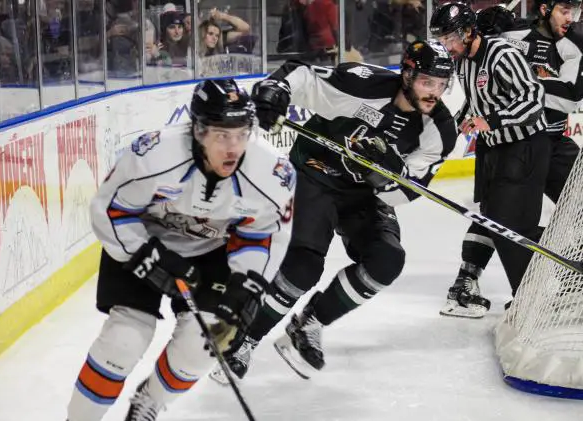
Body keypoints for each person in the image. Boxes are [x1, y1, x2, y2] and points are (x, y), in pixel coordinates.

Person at [210, 39, 458, 382]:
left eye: (442, 85)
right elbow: (302, 75)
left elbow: (407, 191)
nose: (434, 92)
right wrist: (275, 89)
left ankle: (309, 322)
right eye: (427, 81)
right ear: (407, 74)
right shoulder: (364, 83)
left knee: (387, 259)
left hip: (366, 195)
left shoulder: (441, 130)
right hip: (314, 174)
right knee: (304, 266)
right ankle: (244, 338)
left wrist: (388, 173)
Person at [65, 78, 295, 421]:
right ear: (199, 131)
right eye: (221, 135)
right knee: (123, 341)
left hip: (211, 251)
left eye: (241, 133)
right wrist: (147, 258)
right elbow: (111, 209)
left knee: (206, 342)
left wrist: (246, 285)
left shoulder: (272, 172)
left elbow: (261, 235)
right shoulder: (154, 154)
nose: (233, 147)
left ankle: (151, 400)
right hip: (142, 240)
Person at [439, 1, 582, 319]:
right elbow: (482, 92)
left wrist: (498, 111)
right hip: (508, 143)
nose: (571, 18)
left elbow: (566, 96)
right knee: (499, 215)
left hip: (546, 139)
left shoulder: (568, 44)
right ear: (545, 8)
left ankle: (561, 272)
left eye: (575, 11)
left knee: (521, 216)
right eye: (565, 10)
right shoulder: (500, 43)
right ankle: (472, 279)